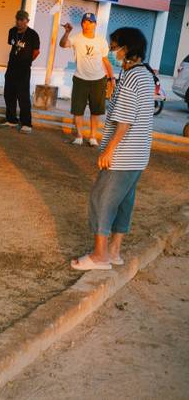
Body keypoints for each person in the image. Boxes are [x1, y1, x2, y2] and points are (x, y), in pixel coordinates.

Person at [71, 27, 154, 271]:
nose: (113, 51)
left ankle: (100, 256)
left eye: (115, 45)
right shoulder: (146, 74)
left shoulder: (131, 77)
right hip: (138, 155)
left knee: (101, 199)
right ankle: (114, 252)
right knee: (123, 202)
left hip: (123, 154)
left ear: (126, 48)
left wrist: (109, 151)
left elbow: (125, 120)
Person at [59, 13, 115, 146]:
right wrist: (67, 32)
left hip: (98, 80)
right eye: (85, 22)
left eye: (90, 22)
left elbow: (105, 60)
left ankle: (92, 137)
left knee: (96, 111)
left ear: (95, 24)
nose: (87, 24)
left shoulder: (101, 40)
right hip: (80, 79)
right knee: (78, 109)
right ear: (82, 23)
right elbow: (62, 44)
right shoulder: (76, 38)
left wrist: (111, 77)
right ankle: (79, 135)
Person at [2, 10, 40, 132]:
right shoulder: (12, 32)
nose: (19, 22)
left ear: (27, 21)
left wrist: (27, 61)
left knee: (23, 96)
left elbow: (36, 52)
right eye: (17, 19)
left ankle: (26, 124)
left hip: (23, 70)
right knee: (8, 94)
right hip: (11, 67)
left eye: (22, 20)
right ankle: (11, 120)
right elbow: (13, 46)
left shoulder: (33, 34)